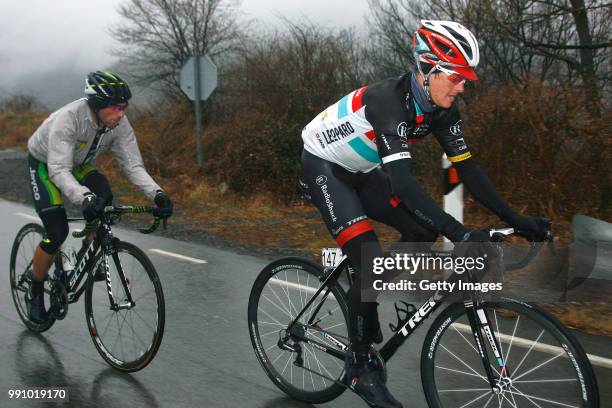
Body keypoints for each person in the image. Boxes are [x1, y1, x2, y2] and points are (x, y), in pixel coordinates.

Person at [299, 20, 550, 407]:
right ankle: (359, 367)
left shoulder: (440, 108)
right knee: (367, 257)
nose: (463, 86)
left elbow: (469, 170)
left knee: (420, 232)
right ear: (430, 69)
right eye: (456, 77)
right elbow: (403, 185)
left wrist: (517, 220)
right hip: (325, 168)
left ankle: (362, 301)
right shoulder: (388, 102)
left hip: (362, 172)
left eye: (466, 79)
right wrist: (461, 233)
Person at [25, 71, 173, 324]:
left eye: (124, 107)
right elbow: (58, 170)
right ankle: (35, 289)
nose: (121, 114)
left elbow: (133, 165)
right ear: (98, 105)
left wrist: (157, 193)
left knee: (104, 197)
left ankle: (88, 255)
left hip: (79, 163)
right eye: (116, 108)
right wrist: (84, 198)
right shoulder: (68, 119)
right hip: (45, 165)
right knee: (57, 231)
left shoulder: (119, 124)